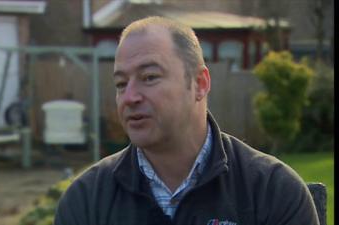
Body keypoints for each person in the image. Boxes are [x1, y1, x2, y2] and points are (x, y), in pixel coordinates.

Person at [54, 16, 319, 225]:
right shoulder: (86, 199)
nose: (130, 97)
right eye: (121, 84)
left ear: (200, 83)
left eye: (149, 77)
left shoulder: (273, 191)